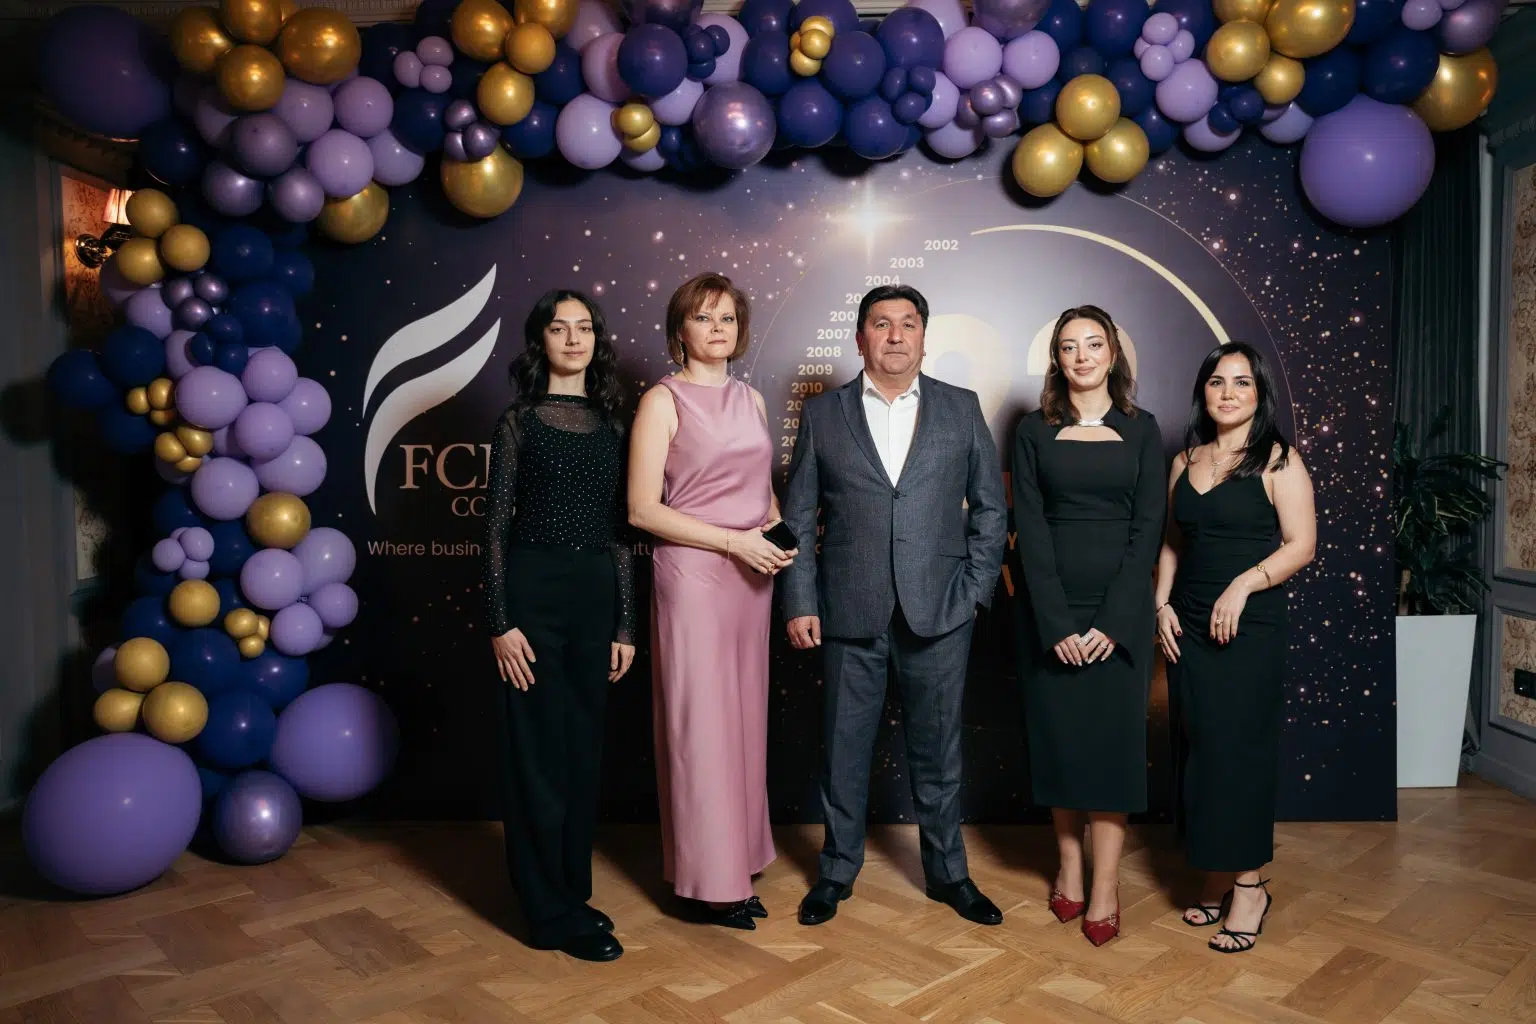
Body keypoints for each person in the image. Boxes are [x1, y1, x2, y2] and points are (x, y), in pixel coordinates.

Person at [781, 284, 1008, 928]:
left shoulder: (961, 407)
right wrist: (800, 600)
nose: (896, 335)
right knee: (842, 751)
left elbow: (991, 509)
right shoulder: (823, 414)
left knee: (939, 753)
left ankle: (949, 874)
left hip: (941, 610)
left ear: (924, 337)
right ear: (860, 338)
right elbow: (796, 518)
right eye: (882, 324)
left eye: (908, 323)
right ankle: (835, 872)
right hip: (847, 609)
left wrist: (974, 591)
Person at [628, 272, 791, 930]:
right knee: (702, 727)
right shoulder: (661, 401)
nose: (718, 328)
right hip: (695, 575)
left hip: (753, 577)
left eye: (727, 317)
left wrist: (776, 534)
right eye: (703, 317)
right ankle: (707, 884)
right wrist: (733, 542)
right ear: (680, 331)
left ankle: (738, 861)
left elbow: (761, 487)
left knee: (743, 721)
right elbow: (642, 510)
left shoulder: (751, 399)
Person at [481, 289, 637, 963]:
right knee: (537, 757)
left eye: (584, 328)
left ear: (596, 341)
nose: (573, 338)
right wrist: (500, 621)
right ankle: (546, 914)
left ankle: (573, 893)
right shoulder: (517, 421)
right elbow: (494, 528)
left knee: (581, 755)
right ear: (540, 340)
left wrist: (626, 626)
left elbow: (622, 533)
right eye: (559, 328)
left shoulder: (613, 426)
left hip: (594, 599)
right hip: (533, 598)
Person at [1011, 305, 1165, 947]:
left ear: (1113, 354)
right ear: (1057, 358)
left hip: (1119, 615)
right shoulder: (1032, 430)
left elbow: (1148, 529)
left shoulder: (1144, 429)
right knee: (1062, 743)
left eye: (1093, 344)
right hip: (1050, 612)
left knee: (1111, 750)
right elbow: (1029, 529)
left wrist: (1114, 621)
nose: (1082, 356)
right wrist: (1055, 624)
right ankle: (1069, 865)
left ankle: (1106, 884)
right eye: (1069, 346)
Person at [1155, 341, 1315, 954]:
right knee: (1199, 747)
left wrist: (1243, 586)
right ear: (1203, 392)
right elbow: (1172, 541)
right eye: (1217, 381)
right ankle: (1216, 874)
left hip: (1248, 623)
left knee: (1237, 752)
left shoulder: (1280, 461)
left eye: (1242, 382)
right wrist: (1161, 605)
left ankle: (1249, 887)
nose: (1228, 393)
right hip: (1188, 621)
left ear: (1259, 393)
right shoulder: (1184, 460)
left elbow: (1301, 545)